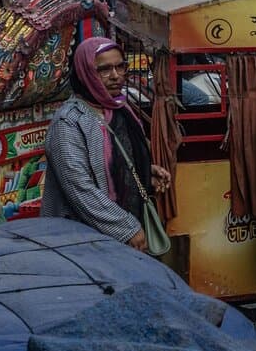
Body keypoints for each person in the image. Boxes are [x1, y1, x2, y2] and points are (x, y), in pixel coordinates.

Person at [41, 37, 171, 249]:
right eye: (104, 69)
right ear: (86, 73)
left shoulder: (118, 108)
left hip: (123, 231)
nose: (116, 76)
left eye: (121, 67)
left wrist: (144, 172)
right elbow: (79, 189)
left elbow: (116, 160)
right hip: (82, 241)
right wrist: (126, 227)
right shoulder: (69, 122)